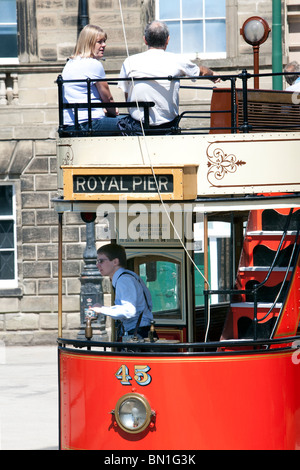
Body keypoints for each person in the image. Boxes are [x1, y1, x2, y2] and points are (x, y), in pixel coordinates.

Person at [117, 20, 220, 135]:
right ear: (168, 40)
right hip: (167, 126)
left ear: (145, 40)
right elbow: (200, 71)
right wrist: (212, 74)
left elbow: (126, 92)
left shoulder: (130, 61)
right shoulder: (177, 60)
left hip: (137, 126)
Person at [62, 24, 122, 134]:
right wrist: (113, 111)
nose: (104, 45)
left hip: (69, 124)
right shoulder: (93, 64)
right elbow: (107, 98)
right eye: (100, 42)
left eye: (104, 41)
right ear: (89, 43)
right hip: (88, 124)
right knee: (132, 124)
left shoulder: (70, 63)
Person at [91, 243, 154, 340]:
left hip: (138, 334)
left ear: (115, 262)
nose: (97, 265)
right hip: (141, 331)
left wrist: (101, 309)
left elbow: (129, 311)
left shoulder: (123, 280)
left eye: (101, 261)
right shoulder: (128, 276)